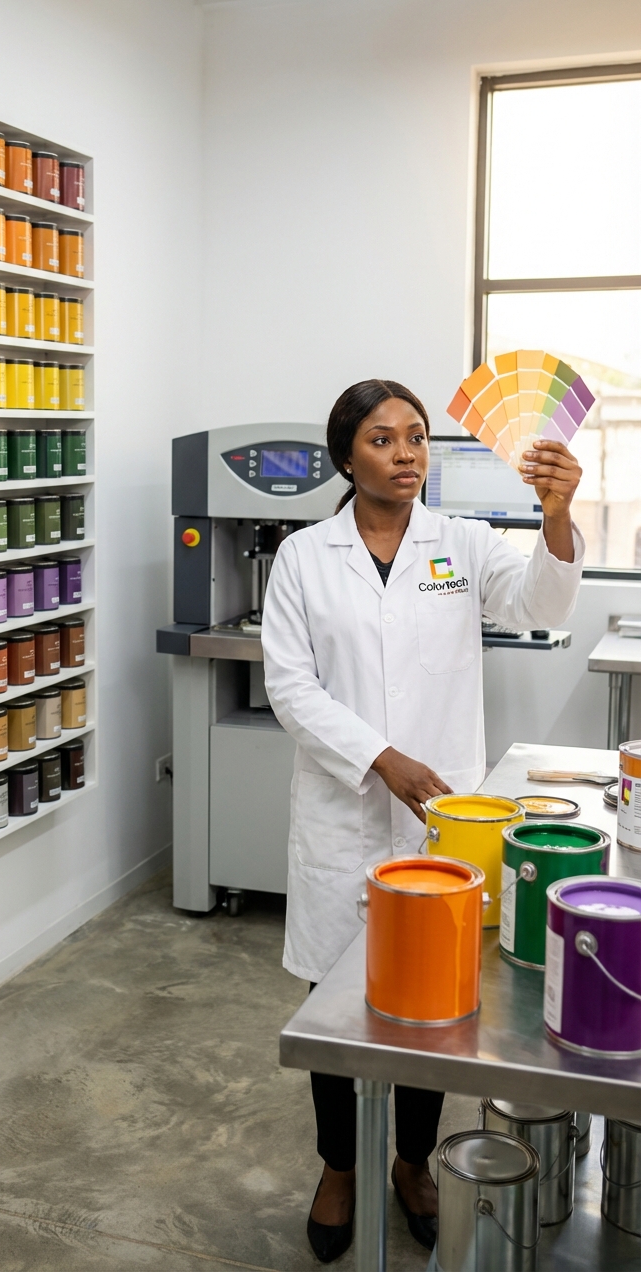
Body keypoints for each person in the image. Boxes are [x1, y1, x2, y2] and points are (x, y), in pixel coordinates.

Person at [261, 379, 584, 1263]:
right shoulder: (304, 556)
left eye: (415, 437)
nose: (406, 453)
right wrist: (380, 758)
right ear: (345, 457)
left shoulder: (463, 543)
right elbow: (290, 687)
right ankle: (337, 1166)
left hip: (443, 824)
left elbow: (542, 604)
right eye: (382, 439)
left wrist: (556, 514)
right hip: (344, 814)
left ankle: (410, 1162)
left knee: (432, 1003)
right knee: (335, 1007)